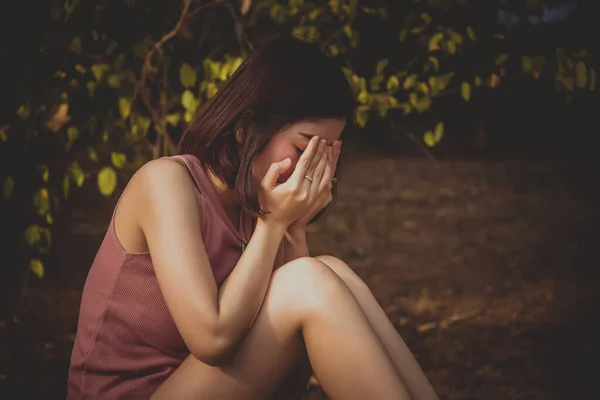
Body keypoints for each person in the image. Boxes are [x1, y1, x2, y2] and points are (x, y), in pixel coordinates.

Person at [67, 36, 438, 400]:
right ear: (245, 128)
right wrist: (274, 224)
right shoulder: (166, 183)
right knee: (308, 279)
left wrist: (293, 228)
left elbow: (293, 363)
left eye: (325, 153)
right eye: (302, 147)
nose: (310, 167)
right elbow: (211, 339)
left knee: (333, 271)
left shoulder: (254, 208)